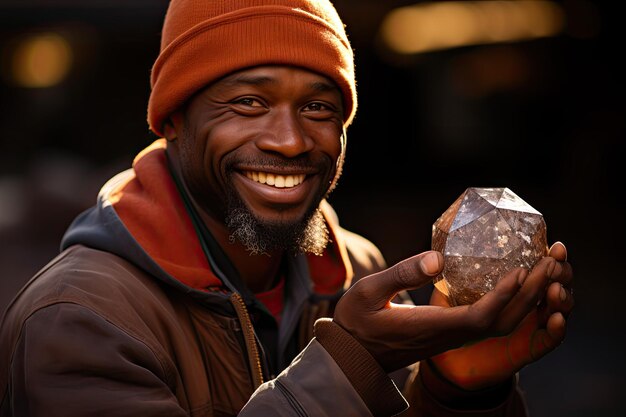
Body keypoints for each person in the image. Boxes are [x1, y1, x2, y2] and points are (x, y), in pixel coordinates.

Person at [0, 0, 574, 416]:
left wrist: (458, 392)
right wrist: (350, 362)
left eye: (320, 108)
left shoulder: (357, 271)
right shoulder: (77, 320)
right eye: (249, 102)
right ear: (173, 121)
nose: (291, 140)